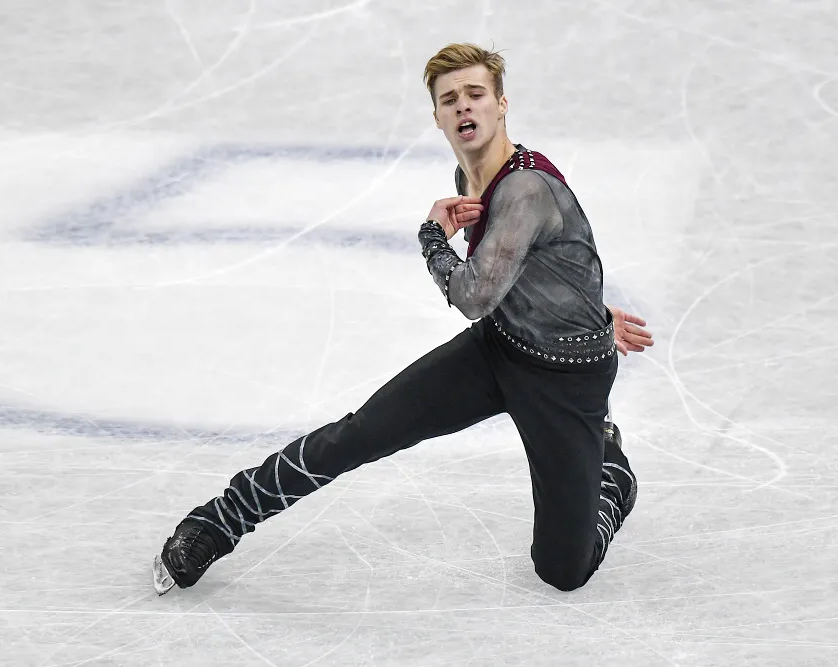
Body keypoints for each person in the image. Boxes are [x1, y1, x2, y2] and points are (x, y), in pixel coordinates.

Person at [152, 43, 654, 595]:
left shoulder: (525, 188)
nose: (464, 107)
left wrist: (432, 237)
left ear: (502, 104)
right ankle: (217, 521)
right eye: (450, 99)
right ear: (437, 116)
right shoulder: (469, 180)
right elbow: (552, 258)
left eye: (476, 94)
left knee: (562, 572)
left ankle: (611, 470)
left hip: (565, 380)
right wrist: (583, 306)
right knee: (359, 435)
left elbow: (473, 295)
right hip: (499, 349)